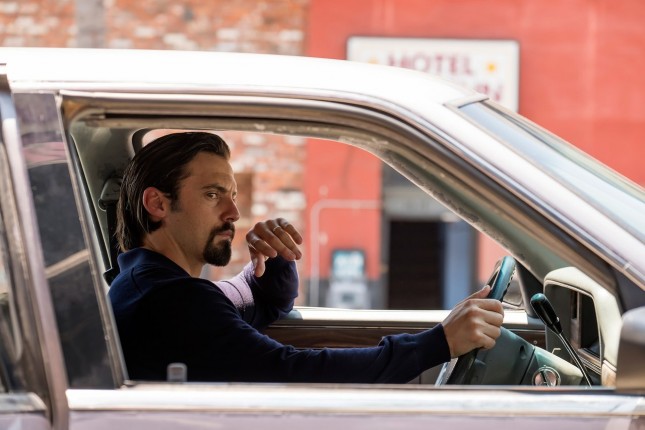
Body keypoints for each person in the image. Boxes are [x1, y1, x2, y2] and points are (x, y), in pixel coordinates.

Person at [109, 131, 504, 383]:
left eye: (233, 195)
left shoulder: (156, 286)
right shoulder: (169, 300)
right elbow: (294, 371)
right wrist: (437, 344)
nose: (234, 212)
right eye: (213, 195)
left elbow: (261, 300)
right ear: (157, 204)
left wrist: (276, 258)